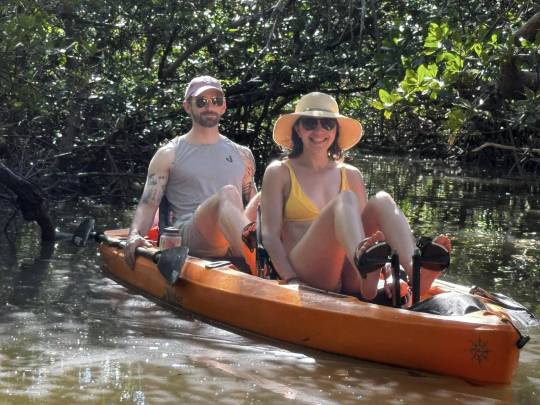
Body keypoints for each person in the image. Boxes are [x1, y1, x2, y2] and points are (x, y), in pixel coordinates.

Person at [260, 92, 451, 302]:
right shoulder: (279, 172)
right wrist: (290, 278)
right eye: (310, 123)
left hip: (352, 274)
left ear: (335, 131)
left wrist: (390, 274)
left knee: (382, 199)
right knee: (345, 200)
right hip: (309, 273)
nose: (319, 131)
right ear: (298, 128)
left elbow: (370, 240)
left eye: (327, 124)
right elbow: (270, 236)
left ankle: (414, 272)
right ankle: (364, 271)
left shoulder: (351, 174)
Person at [124, 75, 258, 271]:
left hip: (231, 234)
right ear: (188, 106)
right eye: (201, 101)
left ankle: (274, 257)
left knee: (271, 191)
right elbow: (148, 203)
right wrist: (134, 234)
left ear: (223, 106)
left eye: (216, 101)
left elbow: (253, 202)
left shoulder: (242, 154)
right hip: (189, 234)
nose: (209, 106)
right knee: (228, 193)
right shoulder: (169, 154)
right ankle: (260, 262)